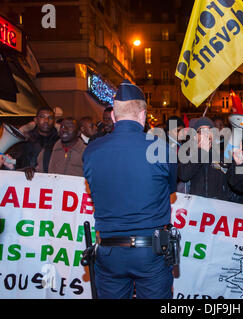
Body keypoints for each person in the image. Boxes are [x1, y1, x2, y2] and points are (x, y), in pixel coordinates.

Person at [83, 79, 177, 299]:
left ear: (114, 116)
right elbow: (170, 188)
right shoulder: (161, 148)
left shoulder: (92, 151)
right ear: (143, 116)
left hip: (109, 251)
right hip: (150, 251)